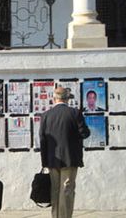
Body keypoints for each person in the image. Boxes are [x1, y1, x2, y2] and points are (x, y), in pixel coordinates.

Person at [39, 87, 91, 218]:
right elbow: (84, 133)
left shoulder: (46, 115)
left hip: (52, 160)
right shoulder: (75, 113)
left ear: (54, 99)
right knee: (66, 190)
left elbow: (43, 140)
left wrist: (44, 161)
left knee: (55, 191)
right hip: (70, 158)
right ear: (67, 99)